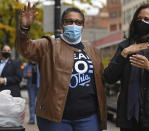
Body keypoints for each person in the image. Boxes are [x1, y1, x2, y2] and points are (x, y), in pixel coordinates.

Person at [16, 2, 106, 131]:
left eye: (78, 22)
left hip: (88, 117)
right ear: (62, 24)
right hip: (56, 119)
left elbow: (100, 79)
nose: (74, 25)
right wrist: (24, 29)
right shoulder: (48, 45)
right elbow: (25, 50)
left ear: (83, 26)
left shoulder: (92, 49)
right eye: (69, 21)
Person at [103, 3, 149, 131]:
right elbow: (109, 77)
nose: (141, 22)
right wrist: (124, 54)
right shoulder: (125, 46)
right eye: (138, 19)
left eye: (146, 19)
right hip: (129, 117)